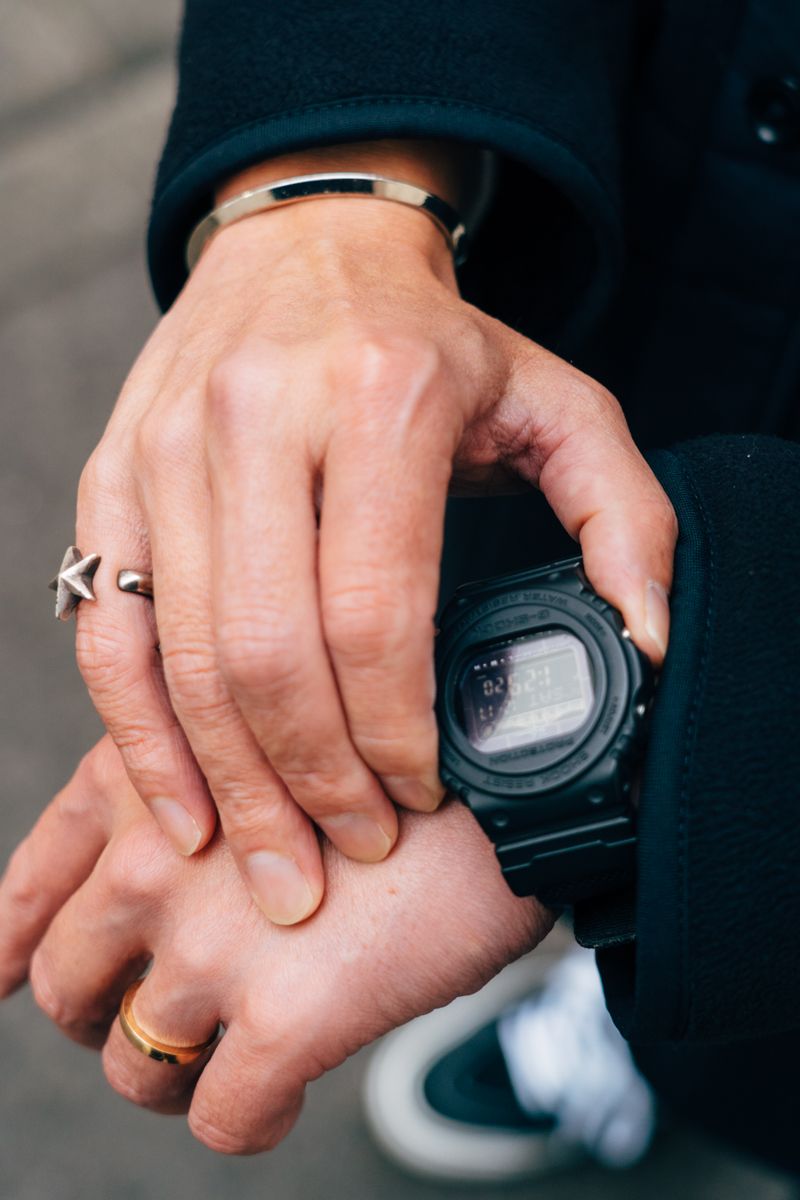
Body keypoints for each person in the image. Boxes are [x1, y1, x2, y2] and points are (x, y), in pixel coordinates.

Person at [2, 0, 800, 1178]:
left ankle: (651, 947)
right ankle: (629, 966)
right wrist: (328, 176)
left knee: (744, 997)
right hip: (607, 302)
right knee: (671, 930)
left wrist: (718, 740)